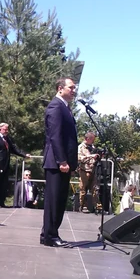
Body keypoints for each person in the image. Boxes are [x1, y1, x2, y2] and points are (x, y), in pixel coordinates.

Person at [40, 78, 78, 247]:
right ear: (60, 88)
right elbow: (55, 136)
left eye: (75, 88)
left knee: (60, 200)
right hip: (56, 163)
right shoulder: (56, 106)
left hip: (63, 163)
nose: (74, 91)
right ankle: (49, 236)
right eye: (71, 88)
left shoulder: (65, 107)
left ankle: (51, 233)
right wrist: (62, 160)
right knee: (54, 201)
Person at [0, 123, 29, 208]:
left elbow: (14, 149)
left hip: (5, 165)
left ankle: (1, 201)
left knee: (3, 185)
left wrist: (24, 155)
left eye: (7, 129)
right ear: (0, 129)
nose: (7, 131)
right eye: (5, 129)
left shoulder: (7, 139)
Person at [77, 132, 100, 213]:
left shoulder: (92, 147)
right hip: (84, 170)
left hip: (93, 170)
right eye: (92, 139)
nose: (93, 141)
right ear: (87, 139)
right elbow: (79, 158)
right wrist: (90, 156)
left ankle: (97, 207)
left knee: (95, 189)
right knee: (83, 189)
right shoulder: (80, 147)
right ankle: (82, 206)